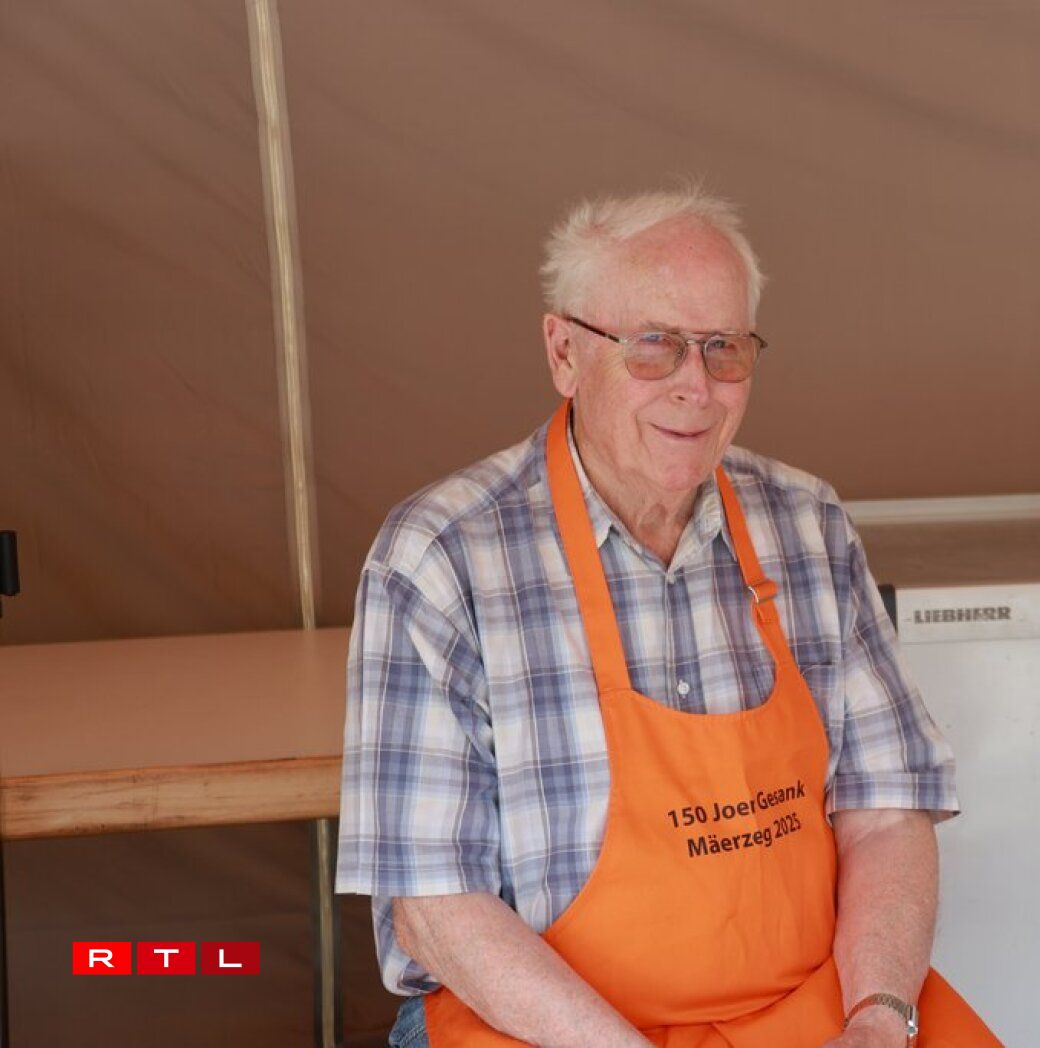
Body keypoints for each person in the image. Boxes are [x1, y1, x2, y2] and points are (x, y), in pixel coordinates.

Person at [337, 186, 999, 1047]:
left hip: (804, 1020)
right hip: (542, 1032)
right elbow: (434, 905)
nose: (697, 386)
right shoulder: (443, 557)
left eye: (726, 349)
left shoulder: (807, 524)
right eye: (655, 346)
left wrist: (877, 1018)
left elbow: (886, 811)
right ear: (565, 352)